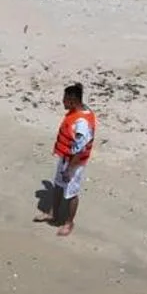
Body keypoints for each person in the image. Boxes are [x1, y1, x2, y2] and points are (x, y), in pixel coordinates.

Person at [36, 83, 94, 236]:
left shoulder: (82, 123)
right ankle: (52, 214)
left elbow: (80, 148)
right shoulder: (79, 109)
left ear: (73, 101)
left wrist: (69, 169)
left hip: (74, 162)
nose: (62, 102)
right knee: (58, 185)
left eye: (65, 100)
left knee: (71, 192)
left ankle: (69, 223)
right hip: (66, 158)